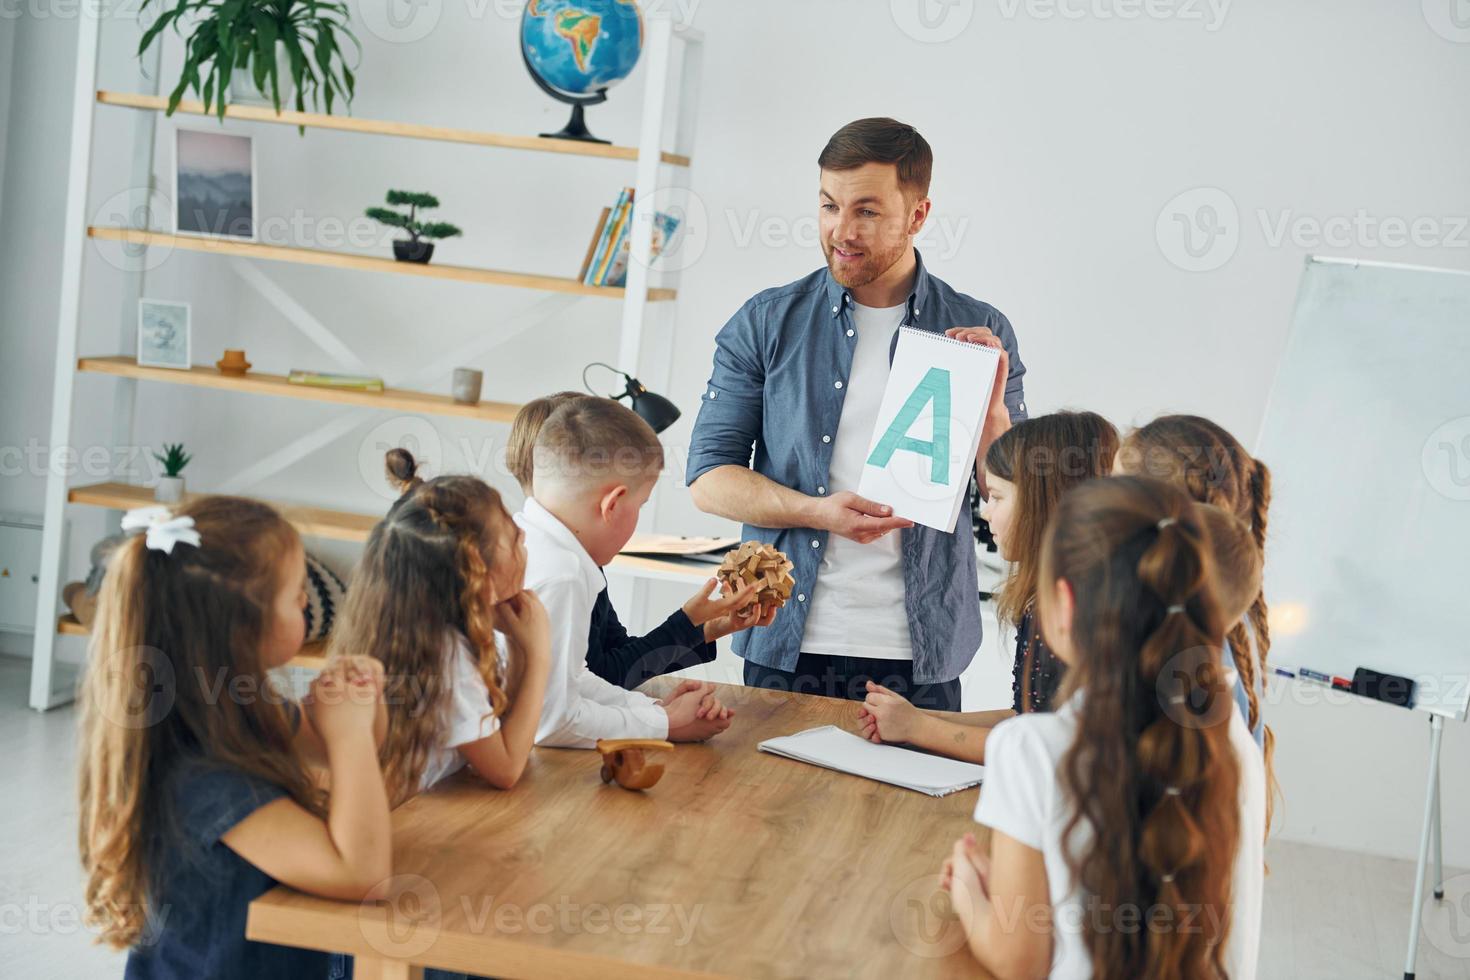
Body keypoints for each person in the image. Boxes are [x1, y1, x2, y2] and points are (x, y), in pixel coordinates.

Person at [687, 116, 1026, 710]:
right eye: (828, 206)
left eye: (866, 211)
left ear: (918, 215)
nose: (841, 231)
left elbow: (1021, 501)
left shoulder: (981, 331)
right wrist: (817, 514)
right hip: (784, 638)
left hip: (920, 651)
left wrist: (994, 411)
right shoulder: (767, 321)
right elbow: (708, 480)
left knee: (905, 806)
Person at [944, 476, 1265, 979]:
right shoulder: (1233, 740)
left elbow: (1017, 962)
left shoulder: (1031, 749)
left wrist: (968, 887)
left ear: (1065, 605)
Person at [78, 498, 392, 979]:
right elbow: (361, 874)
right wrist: (348, 730)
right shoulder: (201, 768)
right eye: (296, 596)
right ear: (242, 629)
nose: (309, 602)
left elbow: (345, 756)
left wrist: (365, 702)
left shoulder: (237, 704)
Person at [856, 412, 1116, 760]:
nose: (986, 513)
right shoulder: (1045, 598)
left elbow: (1044, 748)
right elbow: (1027, 720)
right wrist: (915, 717)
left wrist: (919, 728)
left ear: (1041, 502)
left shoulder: (1075, 609)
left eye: (996, 497)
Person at [329, 449, 552, 803]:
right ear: (479, 574)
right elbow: (506, 769)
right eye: (514, 538)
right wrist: (539, 653)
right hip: (407, 826)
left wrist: (517, 644)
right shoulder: (445, 654)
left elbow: (502, 727)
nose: (524, 541)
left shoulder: (436, 628)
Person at [507, 393, 771, 690]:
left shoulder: (581, 560)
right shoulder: (562, 572)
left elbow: (615, 659)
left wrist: (706, 629)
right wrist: (661, 720)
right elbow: (598, 680)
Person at [522, 397, 736, 746]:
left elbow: (577, 678)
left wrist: (654, 709)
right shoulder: (560, 574)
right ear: (613, 504)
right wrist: (664, 725)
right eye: (641, 505)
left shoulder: (535, 544)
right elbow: (551, 721)